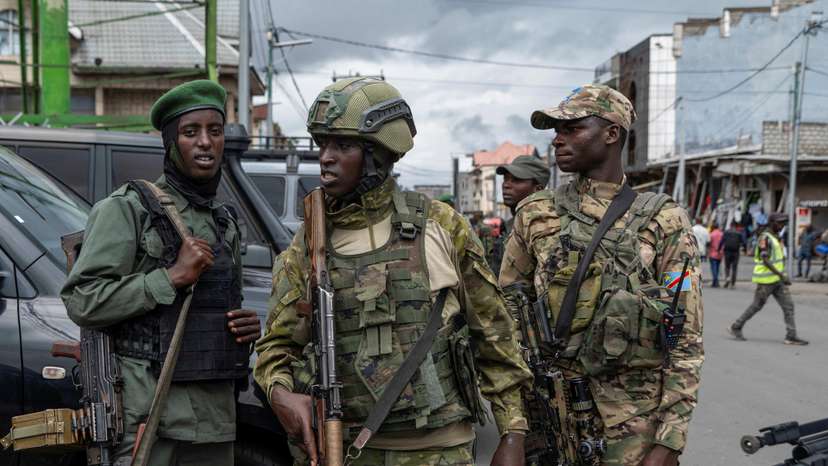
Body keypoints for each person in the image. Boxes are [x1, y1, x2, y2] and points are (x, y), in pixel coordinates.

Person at [254, 77, 532, 466]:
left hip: (438, 450)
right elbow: (276, 348)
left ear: (380, 153)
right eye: (323, 144)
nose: (326, 157)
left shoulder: (440, 226)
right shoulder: (309, 244)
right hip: (344, 449)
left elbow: (495, 336)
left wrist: (512, 432)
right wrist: (281, 393)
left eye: (344, 145)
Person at [500, 84, 703, 466]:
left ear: (612, 134)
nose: (558, 139)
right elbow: (504, 325)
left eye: (572, 128)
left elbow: (685, 337)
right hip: (548, 422)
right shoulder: (535, 213)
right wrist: (513, 427)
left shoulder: (665, 220)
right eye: (555, 130)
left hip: (629, 430)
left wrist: (669, 441)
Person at [61, 80, 262, 464]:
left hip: (214, 419)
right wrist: (168, 278)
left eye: (214, 131)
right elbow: (82, 300)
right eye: (191, 132)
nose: (205, 142)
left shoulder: (226, 223)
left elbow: (209, 308)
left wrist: (243, 330)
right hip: (149, 417)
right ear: (171, 143)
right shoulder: (128, 209)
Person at [728, 213, 808, 345]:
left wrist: (781, 276)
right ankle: (736, 326)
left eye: (783, 223)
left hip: (777, 280)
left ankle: (791, 335)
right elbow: (765, 260)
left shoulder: (776, 237)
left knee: (788, 306)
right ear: (772, 223)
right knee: (756, 306)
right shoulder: (764, 238)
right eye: (779, 223)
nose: (782, 226)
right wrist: (782, 275)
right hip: (766, 281)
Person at [497, 155, 550, 236]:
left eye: (516, 180)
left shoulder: (544, 226)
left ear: (538, 189)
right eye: (505, 179)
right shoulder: (512, 224)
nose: (506, 185)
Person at [721, 221, 746, 288]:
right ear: (736, 226)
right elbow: (744, 242)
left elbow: (722, 241)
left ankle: (727, 278)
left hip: (727, 252)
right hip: (736, 252)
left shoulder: (726, 232)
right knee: (734, 268)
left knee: (727, 267)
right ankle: (733, 283)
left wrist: (718, 249)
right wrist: (744, 248)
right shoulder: (739, 233)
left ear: (730, 225)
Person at [708, 222, 723, 287]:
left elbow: (709, 243)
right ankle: (715, 281)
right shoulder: (721, 234)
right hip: (720, 254)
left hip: (712, 253)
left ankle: (716, 281)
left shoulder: (712, 234)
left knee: (713, 268)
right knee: (717, 267)